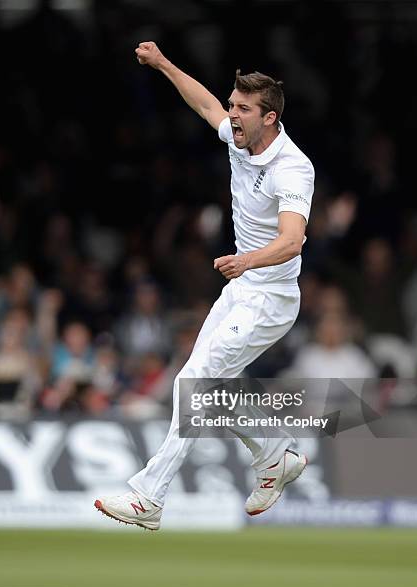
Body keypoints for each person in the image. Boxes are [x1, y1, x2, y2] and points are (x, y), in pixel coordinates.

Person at [95, 41, 315, 530]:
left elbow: (293, 240)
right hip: (243, 290)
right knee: (201, 386)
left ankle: (149, 497)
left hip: (271, 298)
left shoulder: (292, 167)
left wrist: (246, 261)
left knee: (195, 384)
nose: (231, 116)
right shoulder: (239, 137)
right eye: (233, 106)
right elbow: (204, 104)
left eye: (242, 110)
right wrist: (163, 64)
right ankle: (277, 456)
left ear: (270, 119)